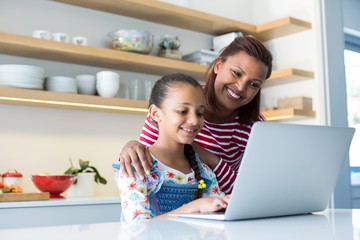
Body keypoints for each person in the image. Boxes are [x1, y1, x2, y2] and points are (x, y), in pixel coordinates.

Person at [119, 36, 273, 194]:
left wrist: (209, 158)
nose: (241, 87)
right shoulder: (178, 99)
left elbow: (249, 190)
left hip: (218, 209)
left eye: (253, 84)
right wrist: (131, 145)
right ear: (218, 65)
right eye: (236, 73)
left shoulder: (255, 126)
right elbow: (147, 160)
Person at [114, 73, 229, 222]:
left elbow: (217, 214)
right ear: (155, 113)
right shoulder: (137, 166)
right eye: (183, 111)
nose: (194, 120)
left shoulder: (203, 172)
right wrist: (194, 207)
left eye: (200, 113)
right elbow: (139, 229)